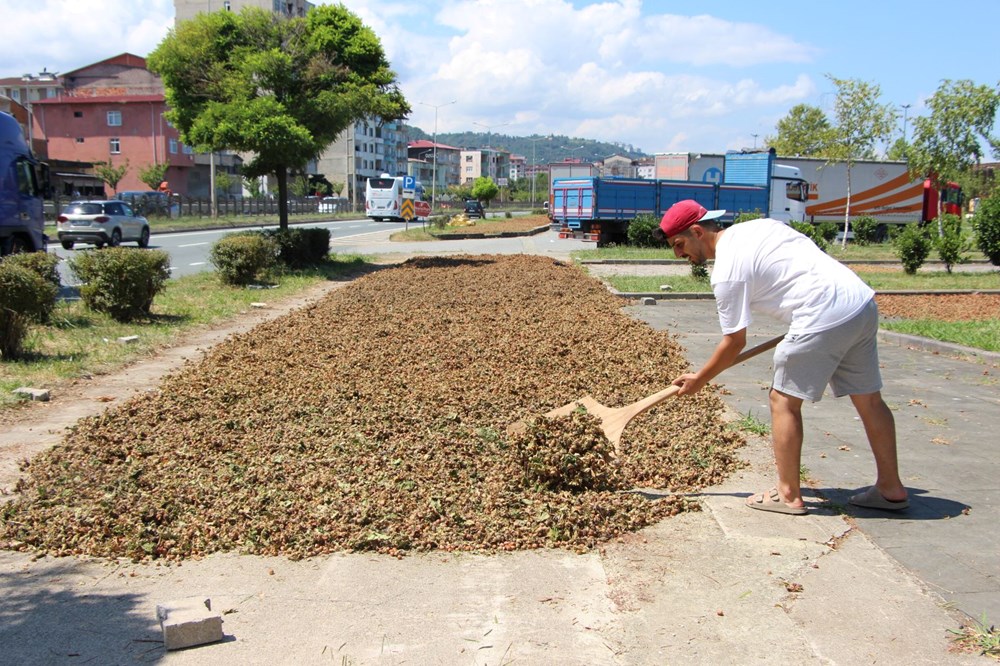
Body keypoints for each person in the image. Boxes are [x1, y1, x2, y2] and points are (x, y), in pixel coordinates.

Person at [655, 200, 909, 515]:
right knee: (870, 400)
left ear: (697, 231)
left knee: (783, 401)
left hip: (820, 313)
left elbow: (734, 341)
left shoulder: (726, 272)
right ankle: (891, 487)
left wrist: (700, 379)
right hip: (859, 303)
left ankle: (787, 494)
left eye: (680, 245)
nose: (678, 254)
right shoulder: (759, 226)